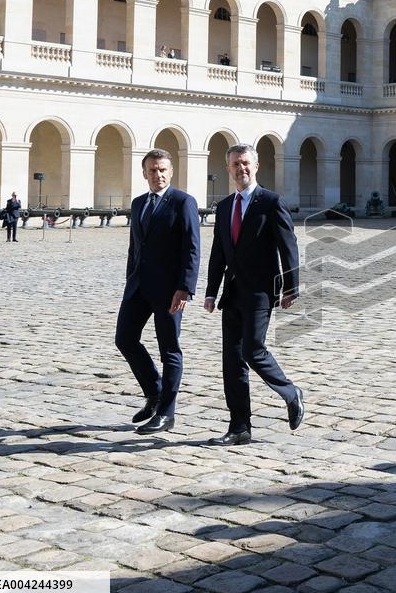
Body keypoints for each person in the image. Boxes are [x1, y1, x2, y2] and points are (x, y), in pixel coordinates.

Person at [204, 143, 305, 444]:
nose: (241, 168)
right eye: (236, 164)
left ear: (256, 166)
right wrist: (211, 291)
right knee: (232, 362)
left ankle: (291, 392)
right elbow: (218, 252)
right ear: (229, 168)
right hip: (232, 292)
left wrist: (291, 286)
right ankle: (239, 428)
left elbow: (288, 245)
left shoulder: (271, 202)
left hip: (261, 291)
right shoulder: (225, 206)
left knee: (252, 350)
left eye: (246, 163)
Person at [115, 149, 201, 435]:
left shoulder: (183, 202)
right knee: (125, 339)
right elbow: (135, 247)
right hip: (138, 287)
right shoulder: (139, 203)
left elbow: (192, 248)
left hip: (169, 291)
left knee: (169, 350)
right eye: (152, 170)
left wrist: (185, 288)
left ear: (171, 172)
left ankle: (166, 413)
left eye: (163, 169)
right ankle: (154, 391)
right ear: (145, 173)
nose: (158, 174)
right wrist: (130, 279)